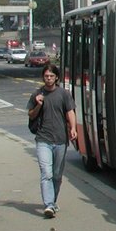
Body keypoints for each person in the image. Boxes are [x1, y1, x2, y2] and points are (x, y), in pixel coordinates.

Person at [27, 63, 77, 218]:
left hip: (60, 140)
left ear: (56, 78)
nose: (48, 79)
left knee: (56, 175)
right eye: (46, 76)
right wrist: (38, 105)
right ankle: (48, 204)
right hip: (43, 139)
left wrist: (73, 128)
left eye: (51, 76)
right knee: (46, 173)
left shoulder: (64, 94)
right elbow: (31, 115)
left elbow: (70, 112)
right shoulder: (37, 94)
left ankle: (52, 202)